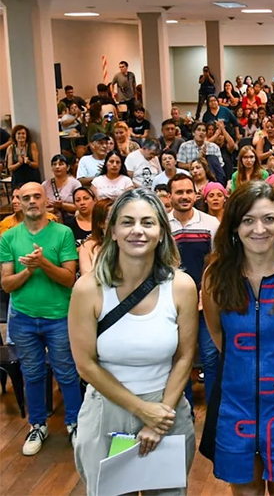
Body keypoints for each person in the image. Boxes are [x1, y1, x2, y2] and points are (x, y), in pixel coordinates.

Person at [69, 189, 197, 496]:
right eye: (127, 222)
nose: (137, 230)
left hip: (166, 408)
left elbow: (184, 356)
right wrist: (142, 410)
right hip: (106, 409)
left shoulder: (181, 286)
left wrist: (159, 415)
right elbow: (85, 363)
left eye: (147, 223)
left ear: (161, 233)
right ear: (112, 231)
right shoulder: (88, 289)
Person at [199, 181, 274, 494]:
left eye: (269, 219)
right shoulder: (215, 277)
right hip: (233, 402)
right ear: (234, 226)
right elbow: (217, 334)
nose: (259, 229)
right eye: (248, 220)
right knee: (245, 491)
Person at [0, 182, 82, 455]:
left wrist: (43, 263)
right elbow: (7, 285)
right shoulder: (9, 238)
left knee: (67, 373)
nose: (32, 201)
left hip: (59, 316)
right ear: (19, 203)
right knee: (32, 374)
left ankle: (75, 423)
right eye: (26, 198)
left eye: (37, 196)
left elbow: (69, 279)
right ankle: (37, 425)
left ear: (46, 200)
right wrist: (27, 271)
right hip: (23, 319)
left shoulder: (63, 233)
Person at [168, 173, 220, 406]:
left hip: (204, 302)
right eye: (179, 192)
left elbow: (217, 262)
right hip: (173, 304)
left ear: (196, 194)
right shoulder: (162, 225)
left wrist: (205, 294)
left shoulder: (210, 223)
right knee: (180, 359)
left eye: (188, 191)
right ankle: (184, 410)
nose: (185, 196)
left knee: (210, 358)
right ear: (170, 196)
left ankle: (215, 413)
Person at [43, 154, 80, 222]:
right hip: (50, 219)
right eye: (54, 164)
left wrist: (62, 205)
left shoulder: (75, 183)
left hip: (71, 219)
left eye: (61, 164)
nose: (57, 167)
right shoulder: (45, 184)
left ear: (68, 167)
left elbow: (79, 207)